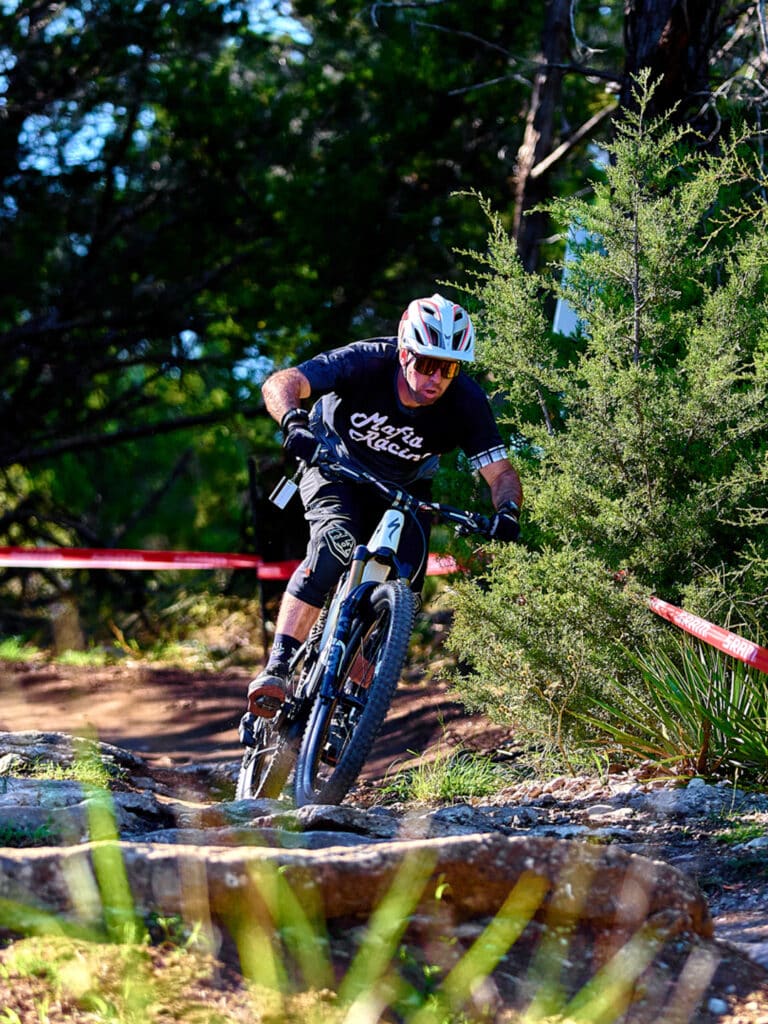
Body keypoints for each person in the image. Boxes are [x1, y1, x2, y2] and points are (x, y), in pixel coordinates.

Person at [244, 293, 523, 722]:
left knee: (405, 585)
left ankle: (352, 710)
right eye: (427, 363)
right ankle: (278, 668)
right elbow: (281, 383)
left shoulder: (466, 400)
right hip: (336, 467)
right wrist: (293, 423)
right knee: (334, 546)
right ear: (405, 352)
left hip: (404, 488)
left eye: (449, 368)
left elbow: (501, 474)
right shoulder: (367, 361)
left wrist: (507, 512)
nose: (436, 378)